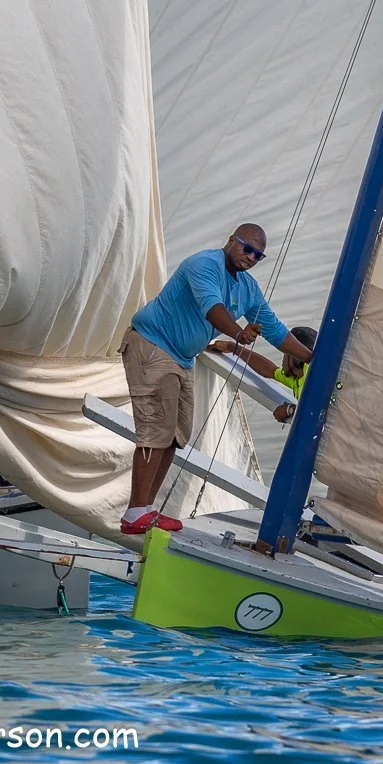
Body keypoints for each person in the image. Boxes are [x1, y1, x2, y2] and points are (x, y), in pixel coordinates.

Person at [118, 223, 312, 535]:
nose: (250, 256)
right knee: (157, 429)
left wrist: (315, 359)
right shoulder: (204, 264)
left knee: (176, 435)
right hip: (153, 345)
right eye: (247, 248)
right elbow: (213, 308)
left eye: (258, 255)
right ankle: (134, 513)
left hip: (182, 358)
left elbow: (275, 330)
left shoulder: (247, 288)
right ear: (231, 241)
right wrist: (238, 334)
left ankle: (146, 509)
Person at [211, 325, 317, 424]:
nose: (283, 358)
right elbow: (269, 370)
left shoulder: (312, 373)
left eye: (285, 353)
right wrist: (232, 347)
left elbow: (328, 407)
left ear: (295, 355)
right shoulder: (298, 377)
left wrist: (291, 410)